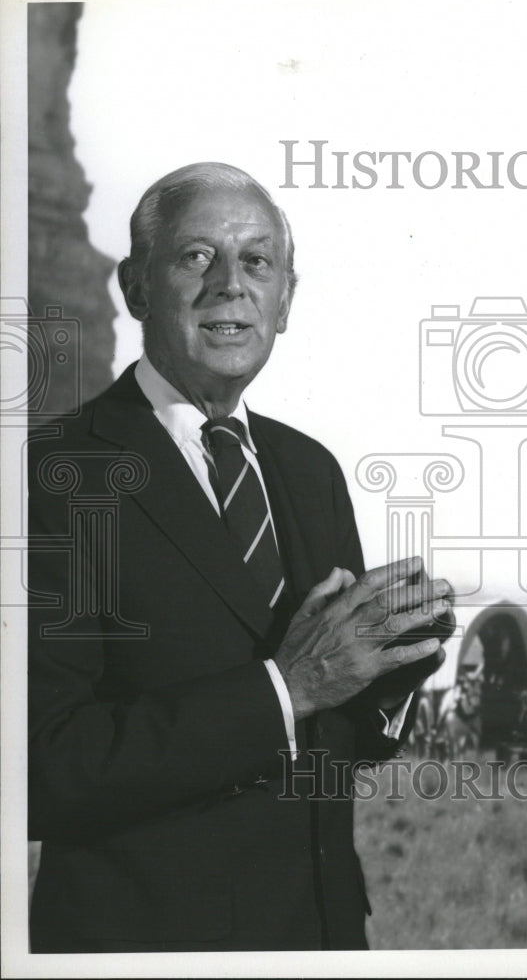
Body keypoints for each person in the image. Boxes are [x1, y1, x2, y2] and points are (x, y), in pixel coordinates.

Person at [27, 162, 453, 952]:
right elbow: (42, 770)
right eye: (196, 257)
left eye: (257, 261)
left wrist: (389, 674)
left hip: (318, 939)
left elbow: (327, 741)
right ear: (134, 288)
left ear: (285, 299)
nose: (230, 284)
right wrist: (286, 687)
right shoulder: (55, 476)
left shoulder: (310, 471)